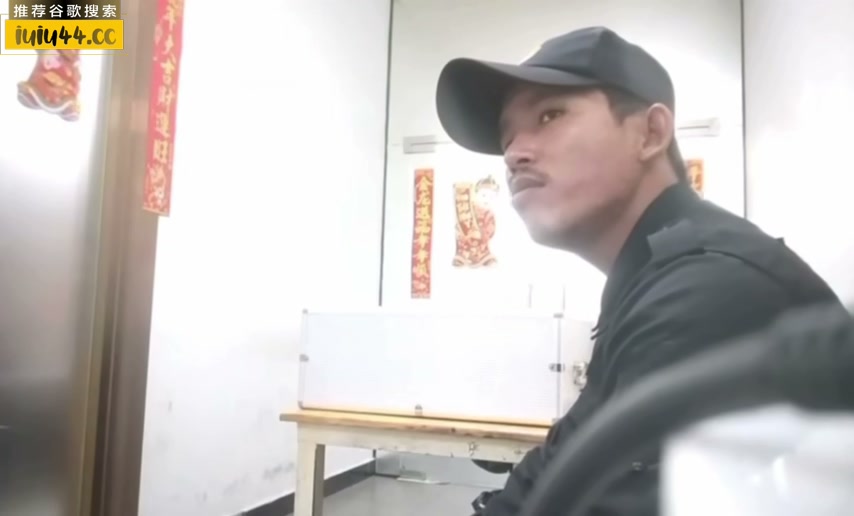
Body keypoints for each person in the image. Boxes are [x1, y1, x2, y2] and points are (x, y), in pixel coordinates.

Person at [434, 26, 843, 516]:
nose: (514, 154)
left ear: (650, 133)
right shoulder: (651, 277)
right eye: (507, 136)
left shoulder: (709, 290)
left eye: (549, 115)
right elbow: (565, 461)